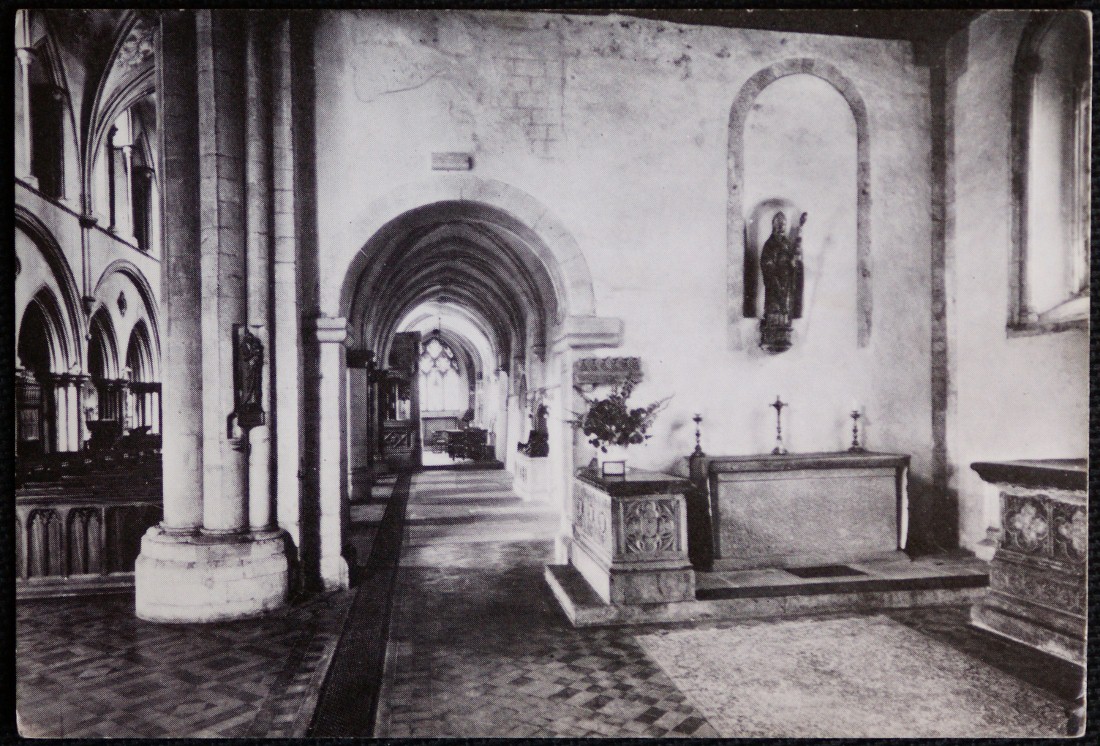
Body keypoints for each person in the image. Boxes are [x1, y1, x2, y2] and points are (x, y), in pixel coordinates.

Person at [759, 211, 806, 322]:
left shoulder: (787, 243)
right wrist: (774, 280)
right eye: (778, 225)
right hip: (774, 283)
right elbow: (766, 264)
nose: (781, 228)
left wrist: (794, 263)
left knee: (785, 310)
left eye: (783, 225)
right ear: (774, 226)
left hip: (786, 282)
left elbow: (792, 261)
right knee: (775, 309)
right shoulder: (769, 244)